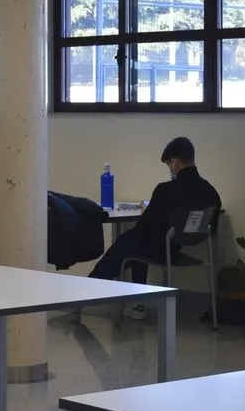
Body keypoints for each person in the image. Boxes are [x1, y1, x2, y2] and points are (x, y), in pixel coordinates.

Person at [88, 137, 221, 320]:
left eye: (168, 164)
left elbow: (146, 228)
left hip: (160, 248)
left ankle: (85, 293)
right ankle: (136, 304)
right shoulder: (211, 192)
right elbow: (212, 229)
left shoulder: (166, 190)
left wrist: (147, 210)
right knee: (135, 244)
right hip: (176, 248)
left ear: (174, 162)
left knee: (128, 243)